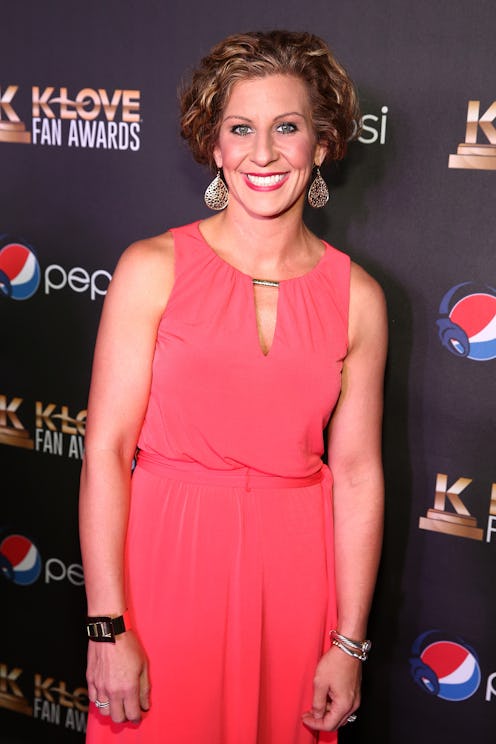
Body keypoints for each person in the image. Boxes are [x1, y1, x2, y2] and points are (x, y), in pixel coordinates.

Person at [79, 29, 387, 744]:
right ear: (215, 146)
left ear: (323, 144)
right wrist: (106, 625)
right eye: (241, 129)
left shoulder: (359, 298)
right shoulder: (151, 267)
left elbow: (357, 475)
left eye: (288, 128)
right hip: (163, 569)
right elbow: (107, 451)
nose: (264, 152)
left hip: (296, 581)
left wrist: (347, 643)